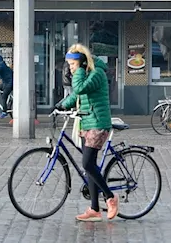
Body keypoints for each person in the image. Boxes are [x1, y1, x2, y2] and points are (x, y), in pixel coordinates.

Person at [57, 43, 117, 222]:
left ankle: (110, 197)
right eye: (69, 64)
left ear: (82, 62)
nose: (70, 68)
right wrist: (62, 105)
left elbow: (81, 88)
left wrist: (80, 71)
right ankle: (94, 209)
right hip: (86, 122)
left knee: (88, 164)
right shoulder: (87, 74)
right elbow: (77, 95)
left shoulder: (97, 73)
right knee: (89, 167)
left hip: (98, 123)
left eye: (73, 64)